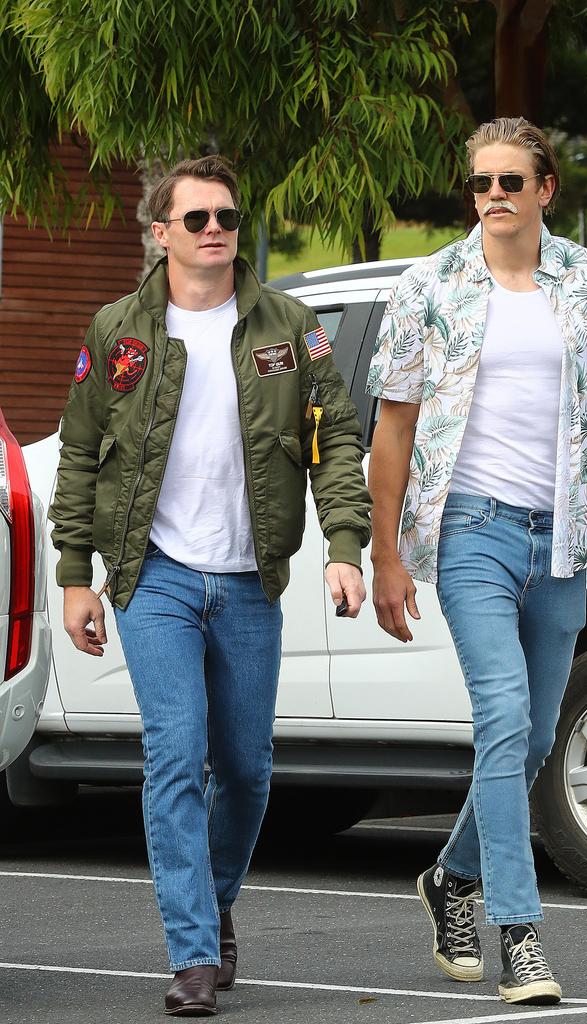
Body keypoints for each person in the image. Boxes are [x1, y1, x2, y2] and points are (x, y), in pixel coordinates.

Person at [366, 117, 587, 1006]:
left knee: (536, 736)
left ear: (546, 188)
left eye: (512, 180)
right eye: (481, 183)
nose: (494, 196)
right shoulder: (428, 285)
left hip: (562, 536)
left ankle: (451, 876)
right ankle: (522, 931)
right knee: (503, 715)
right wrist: (385, 554)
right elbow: (391, 429)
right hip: (470, 529)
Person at [49, 156, 371, 1016]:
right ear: (160, 234)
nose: (215, 228)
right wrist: (74, 576)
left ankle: (214, 899)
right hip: (153, 577)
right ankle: (192, 952)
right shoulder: (117, 331)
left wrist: (346, 543)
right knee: (174, 759)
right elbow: (79, 455)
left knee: (248, 770)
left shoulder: (290, 326)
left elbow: (335, 438)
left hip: (249, 579)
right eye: (195, 219)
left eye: (226, 215)